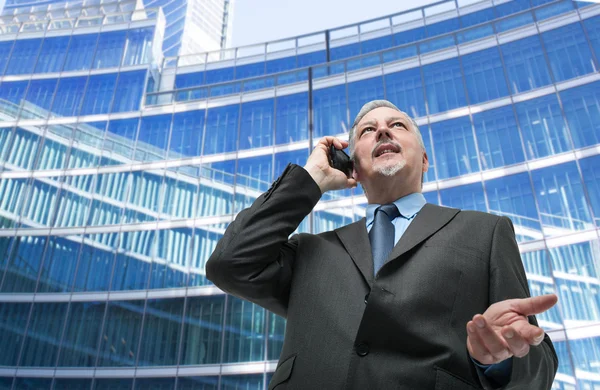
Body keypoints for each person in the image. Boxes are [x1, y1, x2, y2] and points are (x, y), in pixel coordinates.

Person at [206, 100, 558, 389]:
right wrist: (311, 179)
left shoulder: (486, 231)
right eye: (367, 131)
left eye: (398, 126)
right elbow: (231, 264)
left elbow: (536, 363)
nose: (383, 130)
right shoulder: (310, 251)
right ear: (352, 168)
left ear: (424, 160)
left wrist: (500, 359)